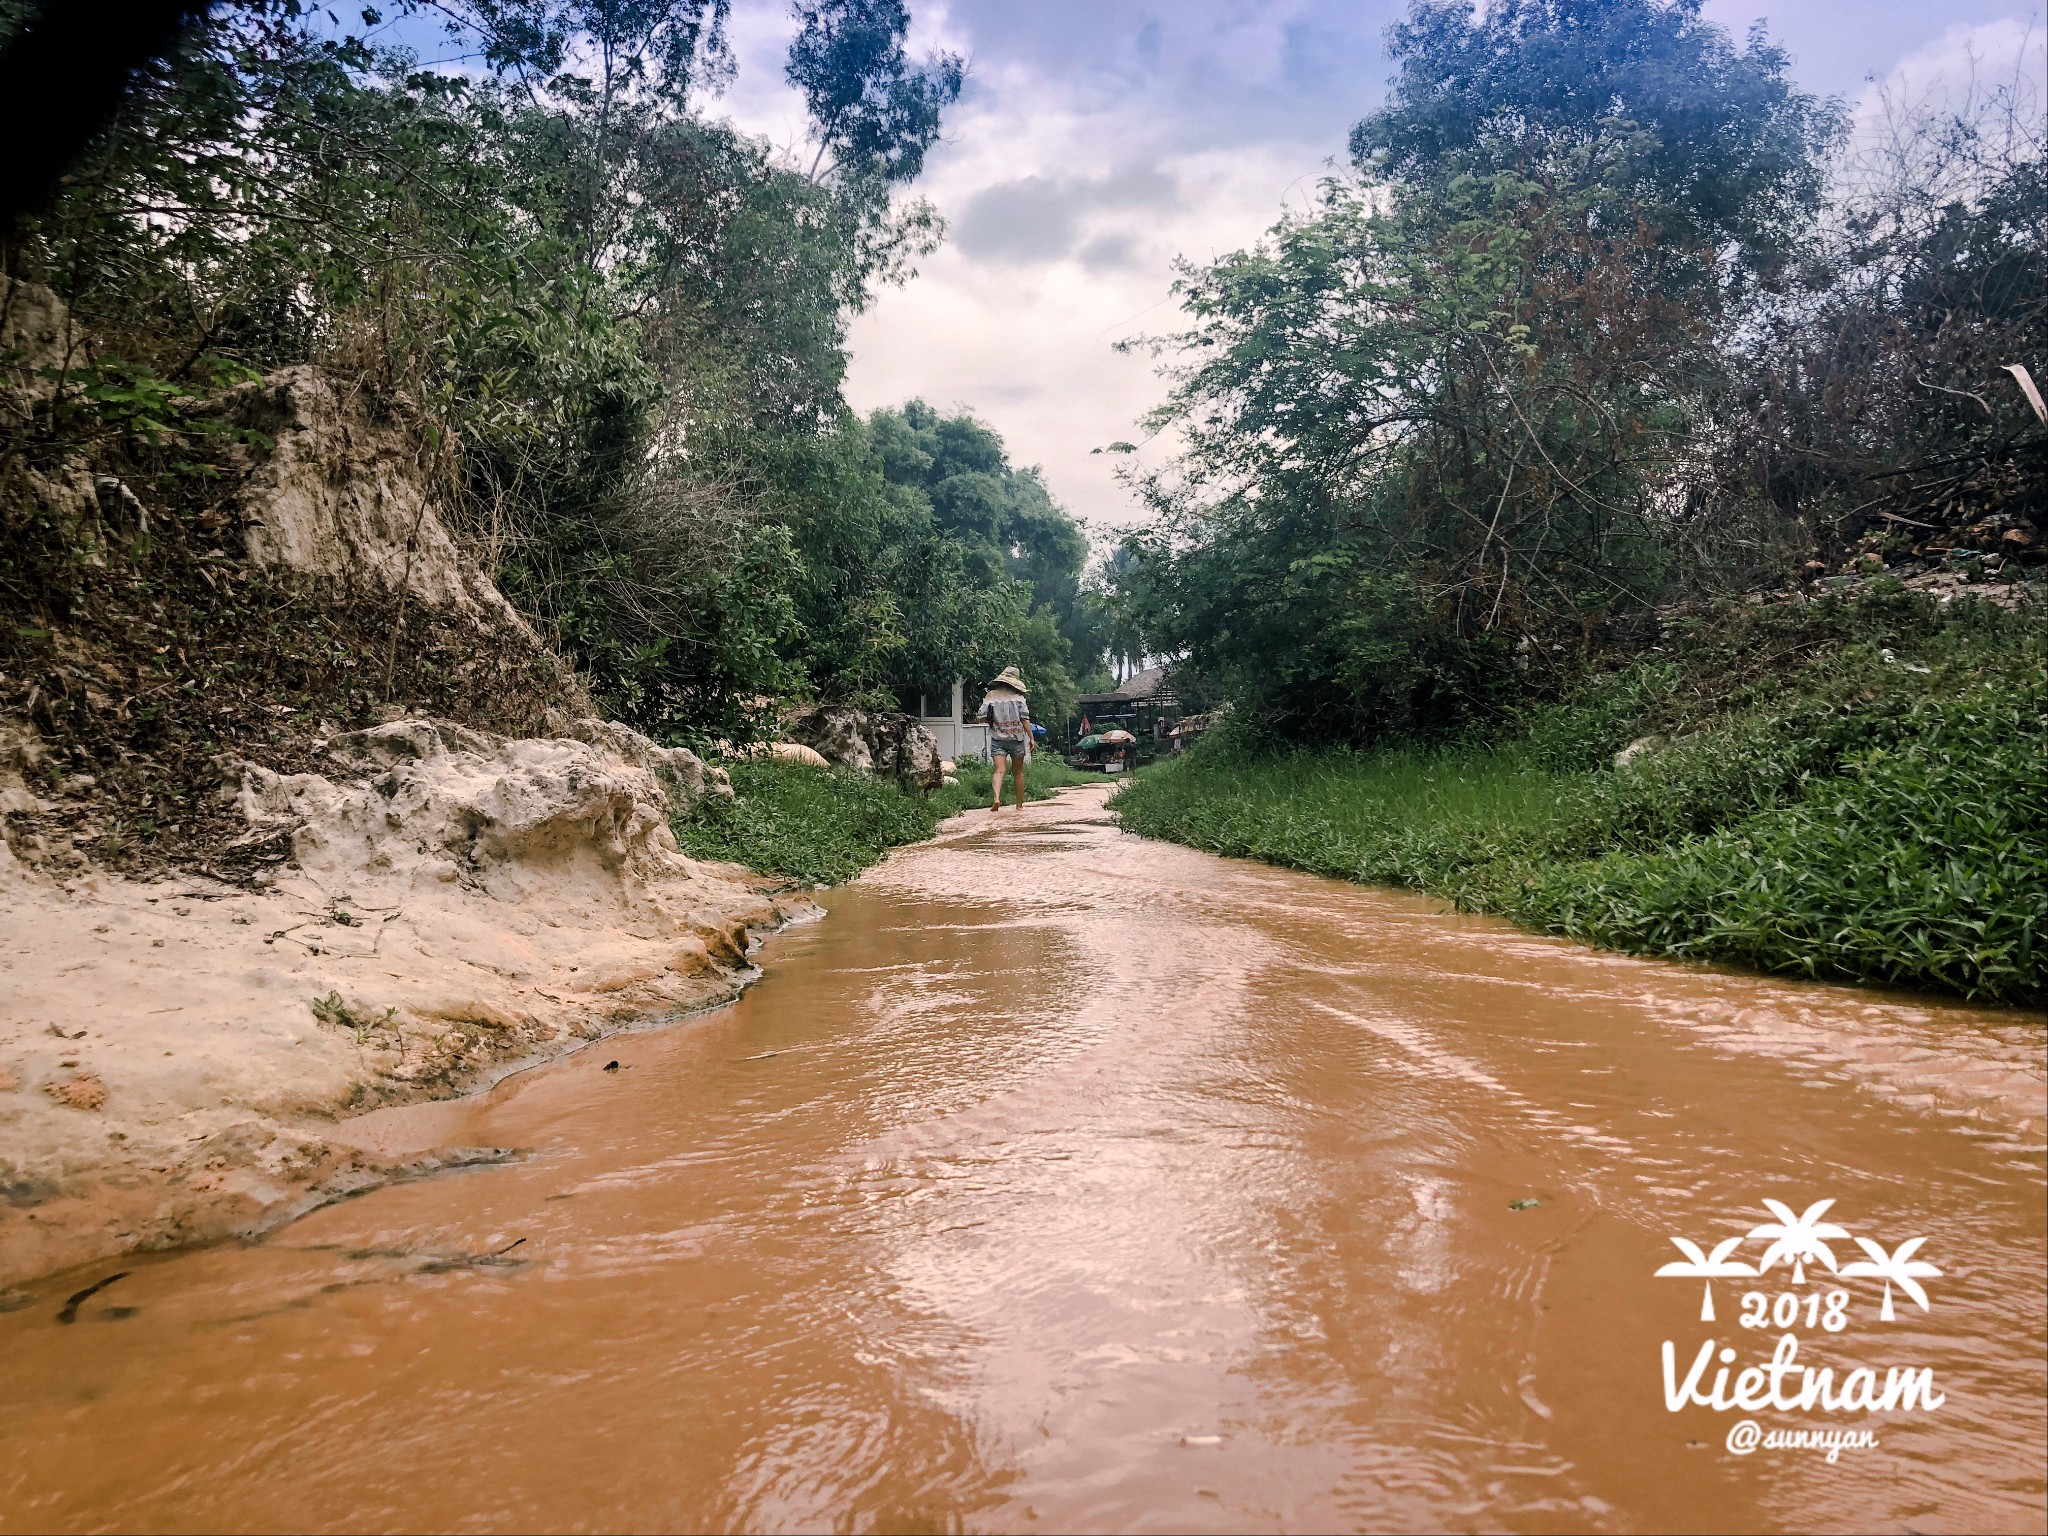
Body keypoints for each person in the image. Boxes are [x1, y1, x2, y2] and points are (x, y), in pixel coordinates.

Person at [976, 665, 1032, 811]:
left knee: (999, 770)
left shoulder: (990, 696)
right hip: (1016, 739)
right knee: (1018, 772)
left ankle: (996, 798)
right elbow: (1025, 720)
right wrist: (1031, 738)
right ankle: (1019, 805)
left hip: (998, 738)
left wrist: (993, 719)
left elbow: (981, 717)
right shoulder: (1019, 698)